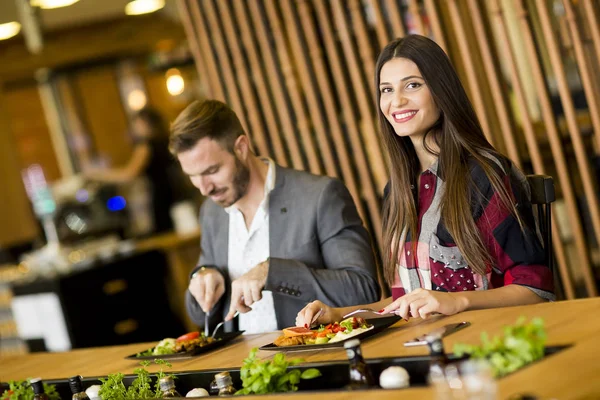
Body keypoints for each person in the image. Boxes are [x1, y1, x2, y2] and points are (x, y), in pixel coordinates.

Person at [296, 34, 554, 327]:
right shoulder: (397, 190)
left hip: (491, 346)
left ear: (441, 90)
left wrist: (458, 301)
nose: (397, 100)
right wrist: (339, 314)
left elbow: (535, 290)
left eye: (413, 85)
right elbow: (403, 303)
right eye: (386, 89)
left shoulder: (484, 175)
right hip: (426, 348)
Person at [169, 99, 380, 333]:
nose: (204, 188)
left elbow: (363, 289)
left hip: (314, 361)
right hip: (240, 366)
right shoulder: (211, 212)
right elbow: (199, 314)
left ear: (241, 148)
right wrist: (204, 278)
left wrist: (272, 272)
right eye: (193, 176)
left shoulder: (320, 196)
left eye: (212, 171)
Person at [85, 108, 177, 233]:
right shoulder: (167, 140)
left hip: (159, 195)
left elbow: (128, 174)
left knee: (163, 232)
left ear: (144, 123)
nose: (134, 128)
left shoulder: (146, 146)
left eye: (136, 123)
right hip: (175, 191)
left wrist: (97, 174)